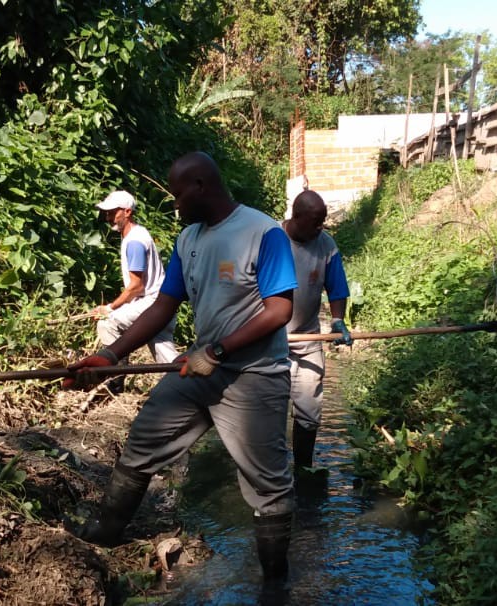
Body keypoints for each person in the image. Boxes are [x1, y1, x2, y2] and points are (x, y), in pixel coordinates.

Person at [64, 152, 298, 580]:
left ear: (200, 187)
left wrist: (218, 352)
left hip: (254, 376)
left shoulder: (262, 232)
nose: (175, 205)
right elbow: (163, 304)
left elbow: (279, 310)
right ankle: (105, 533)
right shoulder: (188, 239)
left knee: (270, 487)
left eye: (177, 195)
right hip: (200, 369)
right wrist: (112, 354)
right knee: (142, 443)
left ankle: (275, 582)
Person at [282, 190, 352, 473]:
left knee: (309, 410)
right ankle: (269, 477)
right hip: (269, 341)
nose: (320, 228)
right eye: (314, 222)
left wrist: (337, 321)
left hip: (307, 338)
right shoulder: (271, 238)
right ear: (296, 217)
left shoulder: (326, 245)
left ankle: (302, 469)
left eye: (322, 221)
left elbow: (337, 288)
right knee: (268, 411)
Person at [91, 190, 179, 366]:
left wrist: (109, 308)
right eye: (107, 213)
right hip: (161, 303)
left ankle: (115, 376)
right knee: (168, 360)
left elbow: (137, 287)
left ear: (127, 212)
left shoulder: (134, 242)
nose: (108, 217)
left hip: (150, 303)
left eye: (113, 212)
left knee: (107, 323)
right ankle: (193, 385)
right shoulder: (139, 234)